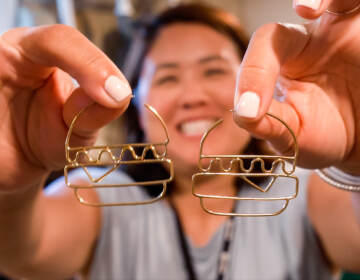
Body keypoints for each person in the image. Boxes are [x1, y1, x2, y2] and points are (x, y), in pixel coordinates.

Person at [0, 1, 359, 280]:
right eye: (168, 78)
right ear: (136, 108)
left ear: (257, 86)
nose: (192, 96)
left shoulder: (304, 189)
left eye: (214, 71)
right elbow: (24, 253)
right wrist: (14, 187)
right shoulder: (101, 196)